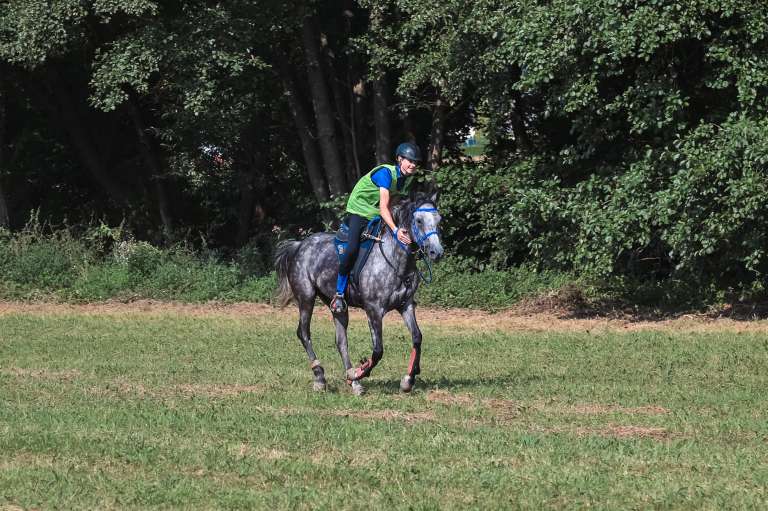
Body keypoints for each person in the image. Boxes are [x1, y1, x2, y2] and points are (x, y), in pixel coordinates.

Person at [331, 142, 422, 313]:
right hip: (359, 211)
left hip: (376, 213)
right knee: (351, 250)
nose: (413, 165)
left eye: (415, 162)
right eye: (409, 161)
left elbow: (394, 203)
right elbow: (383, 207)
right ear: (399, 159)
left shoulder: (405, 180)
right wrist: (395, 230)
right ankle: (339, 294)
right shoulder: (385, 173)